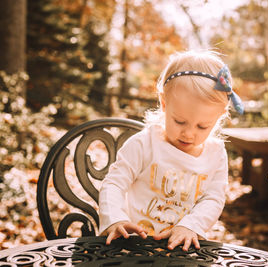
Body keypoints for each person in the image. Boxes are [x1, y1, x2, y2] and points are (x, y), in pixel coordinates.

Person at [98, 50, 244, 251]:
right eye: (180, 121)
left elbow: (213, 198)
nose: (189, 134)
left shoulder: (215, 155)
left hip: (182, 251)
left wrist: (190, 226)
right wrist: (116, 219)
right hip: (133, 247)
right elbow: (114, 183)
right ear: (164, 104)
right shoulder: (144, 144)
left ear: (219, 117)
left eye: (203, 126)